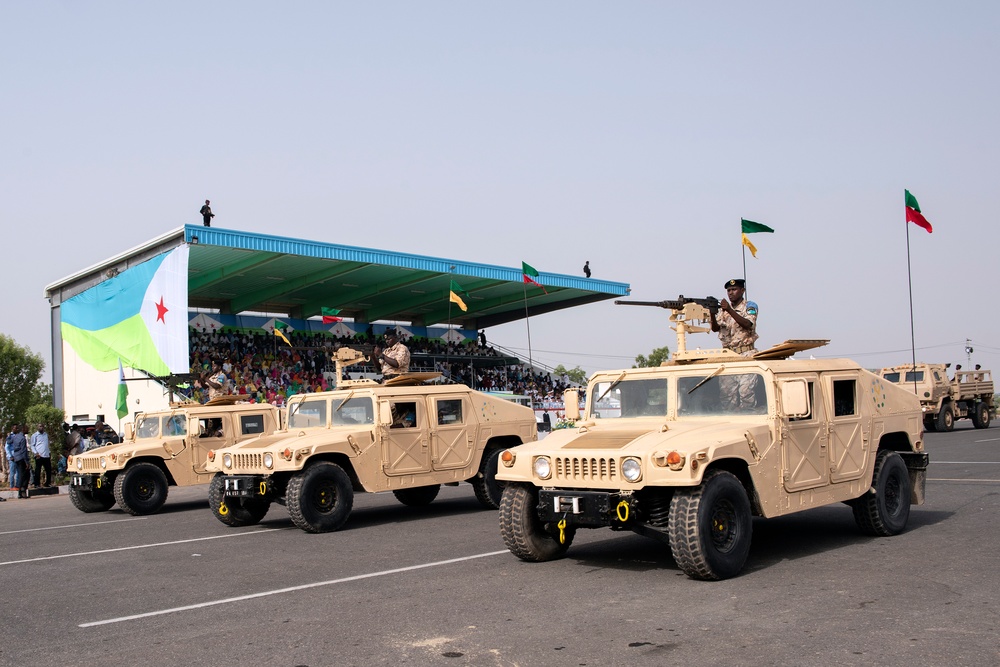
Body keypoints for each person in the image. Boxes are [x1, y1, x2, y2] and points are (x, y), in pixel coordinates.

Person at [710, 278, 760, 410]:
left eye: (734, 289)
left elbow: (748, 324)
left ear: (742, 291)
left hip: (746, 355)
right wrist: (712, 313)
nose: (731, 293)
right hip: (728, 356)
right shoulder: (722, 311)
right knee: (727, 396)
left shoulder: (749, 306)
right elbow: (715, 328)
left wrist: (730, 311)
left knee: (746, 393)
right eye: (728, 290)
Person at [6, 425, 30, 498]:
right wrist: (26, 462)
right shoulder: (22, 438)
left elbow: (8, 441)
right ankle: (23, 490)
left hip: (16, 458)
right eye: (27, 429)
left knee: (20, 475)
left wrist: (9, 435)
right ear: (23, 429)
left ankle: (20, 493)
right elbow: (23, 451)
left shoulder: (15, 436)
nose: (28, 430)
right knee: (26, 475)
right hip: (21, 458)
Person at [30, 423, 51, 488]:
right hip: (39, 455)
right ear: (37, 427)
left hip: (46, 455)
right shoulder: (35, 435)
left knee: (48, 470)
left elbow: (47, 444)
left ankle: (47, 483)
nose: (41, 427)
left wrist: (49, 452)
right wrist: (36, 453)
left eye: (42, 426)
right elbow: (32, 445)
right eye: (40, 426)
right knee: (38, 470)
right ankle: (37, 484)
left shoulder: (45, 434)